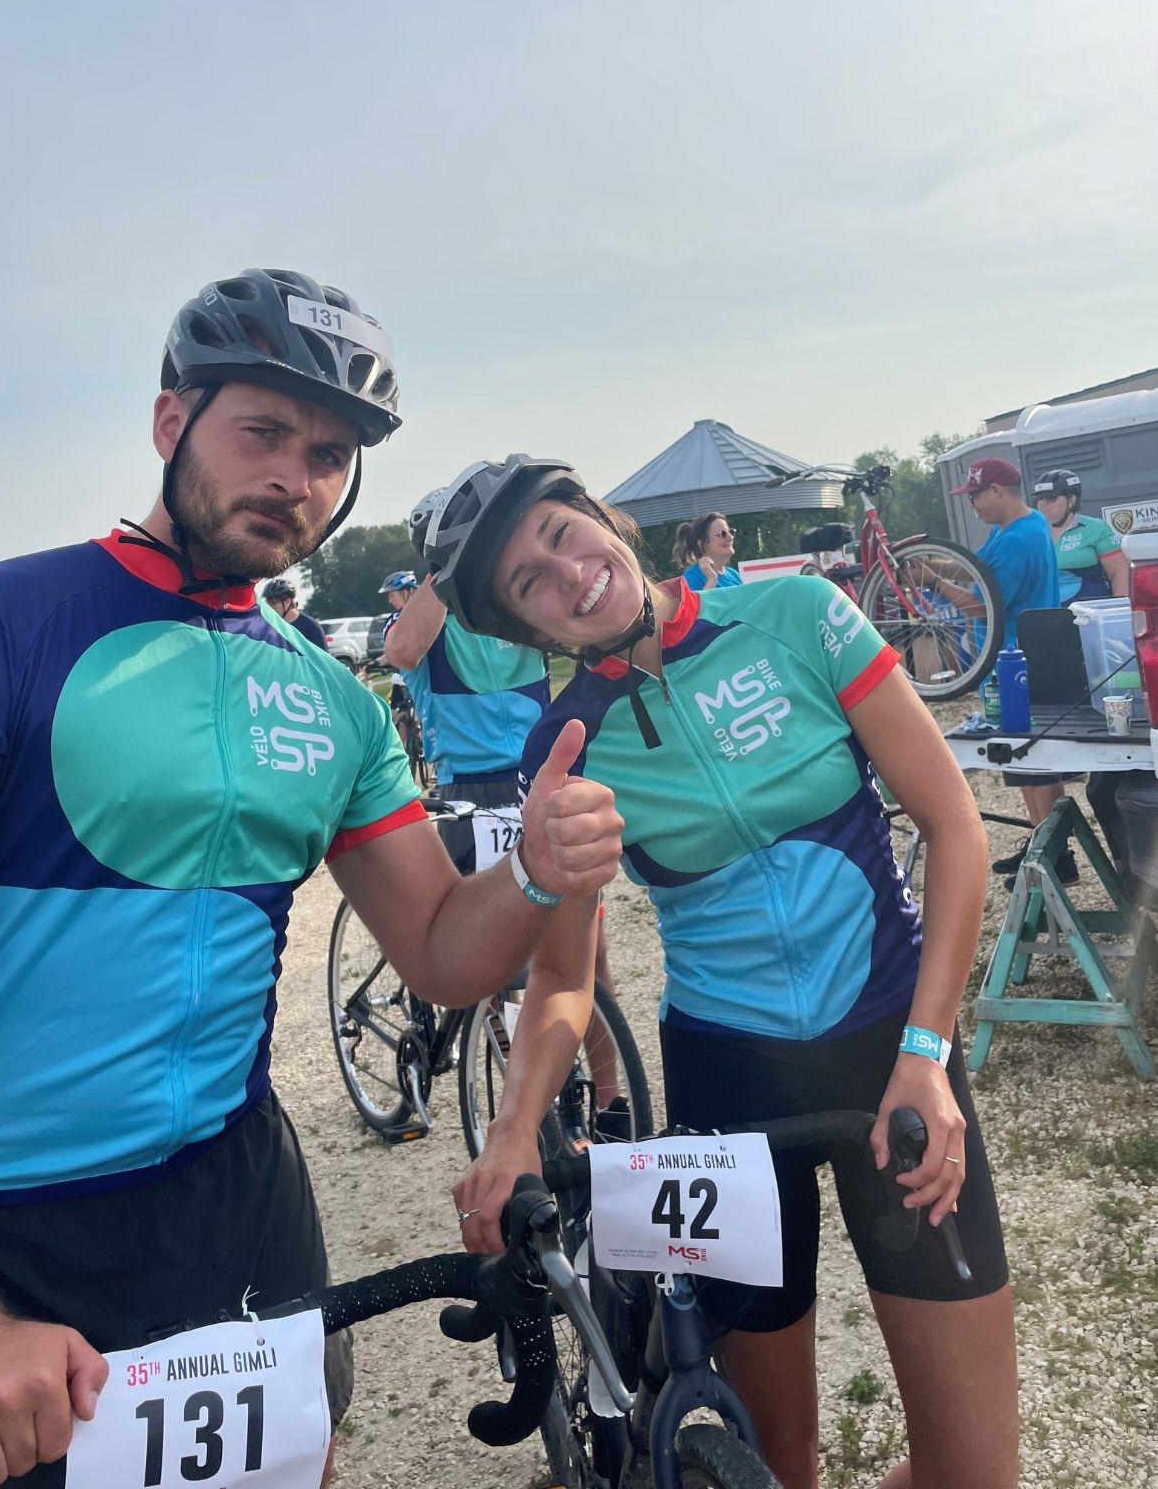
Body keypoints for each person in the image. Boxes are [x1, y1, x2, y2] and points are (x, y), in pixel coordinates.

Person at [0, 276, 624, 1489]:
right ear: (169, 426)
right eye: (262, 433)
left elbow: (445, 956)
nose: (295, 477)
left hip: (238, 1194)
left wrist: (538, 870)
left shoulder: (330, 698)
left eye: (330, 454)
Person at [428, 455, 1017, 1489]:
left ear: (606, 522)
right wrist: (516, 1124)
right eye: (529, 582)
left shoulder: (796, 616)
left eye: (564, 534)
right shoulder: (566, 745)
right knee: (771, 1464)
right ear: (528, 632)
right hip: (727, 1091)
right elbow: (566, 981)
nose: (566, 574)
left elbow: (954, 827)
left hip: (892, 1054)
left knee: (974, 1471)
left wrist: (928, 1052)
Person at [380, 492, 550, 811]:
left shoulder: (512, 602)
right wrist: (446, 564)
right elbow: (403, 651)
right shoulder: (420, 618)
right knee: (475, 865)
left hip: (542, 766)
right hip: (469, 782)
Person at [950, 456, 1072, 879]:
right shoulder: (1013, 528)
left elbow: (982, 603)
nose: (973, 505)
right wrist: (930, 563)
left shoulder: (1020, 539)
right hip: (1010, 658)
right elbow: (973, 567)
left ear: (998, 491)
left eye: (976, 495)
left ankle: (1056, 854)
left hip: (1018, 658)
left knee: (1032, 759)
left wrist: (931, 583)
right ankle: (1044, 845)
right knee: (1022, 760)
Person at [1032, 470, 1128, 605]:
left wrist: (1121, 610)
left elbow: (1118, 573)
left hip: (1089, 615)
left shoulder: (1096, 528)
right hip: (1048, 615)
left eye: (1051, 498)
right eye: (1039, 498)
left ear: (1071, 500)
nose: (1043, 504)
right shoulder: (1031, 533)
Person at [377, 568, 422, 753]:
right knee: (398, 714)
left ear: (407, 592)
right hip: (402, 677)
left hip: (421, 678)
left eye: (392, 595)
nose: (390, 600)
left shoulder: (423, 614)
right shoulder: (395, 618)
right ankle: (403, 749)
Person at [673, 509, 741, 589]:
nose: (730, 537)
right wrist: (712, 580)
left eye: (731, 532)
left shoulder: (734, 574)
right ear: (702, 544)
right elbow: (696, 602)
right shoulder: (691, 578)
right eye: (722, 534)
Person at [262, 574, 330, 648]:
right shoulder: (270, 626)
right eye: (268, 603)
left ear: (287, 601)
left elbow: (321, 656)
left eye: (273, 602)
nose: (270, 607)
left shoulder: (311, 627)